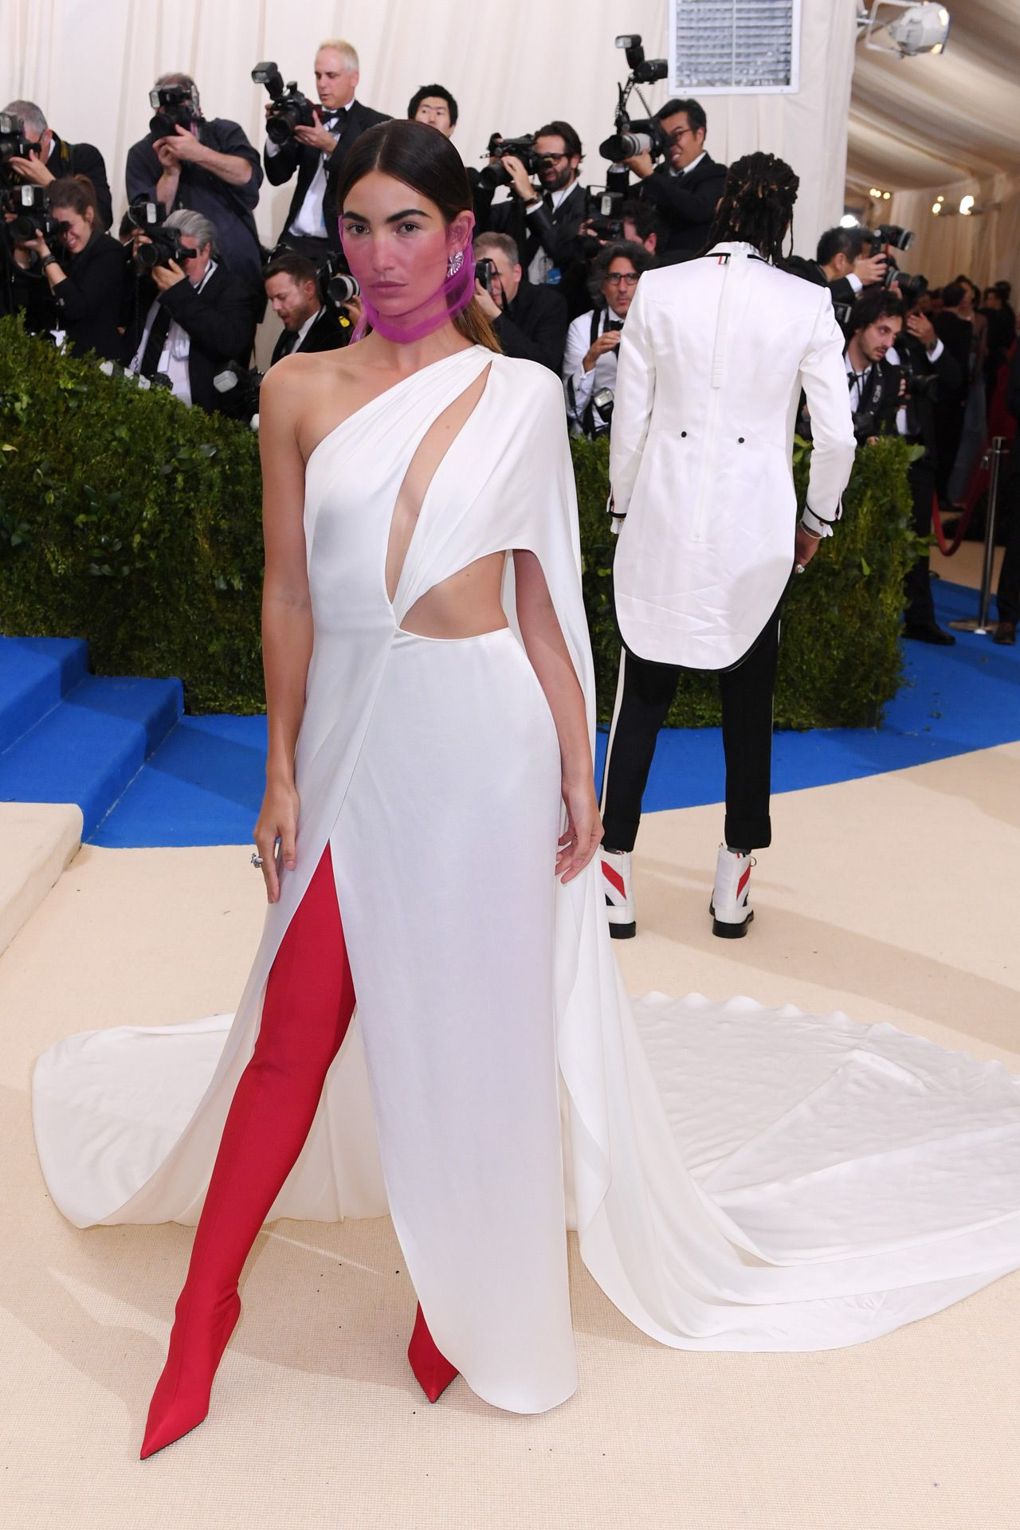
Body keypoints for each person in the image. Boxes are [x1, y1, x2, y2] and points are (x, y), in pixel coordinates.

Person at [31, 124, 1020, 1458]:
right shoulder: (299, 389)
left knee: (475, 1035)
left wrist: (577, 769)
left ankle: (461, 1291)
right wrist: (277, 768)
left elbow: (542, 604)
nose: (380, 254)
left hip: (483, 744)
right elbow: (286, 594)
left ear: (459, 236)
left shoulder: (520, 397)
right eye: (359, 226)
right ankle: (201, 1316)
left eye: (407, 226)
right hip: (351, 749)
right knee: (292, 1030)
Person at [600, 153, 856, 939]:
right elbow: (838, 439)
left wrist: (622, 510)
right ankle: (733, 886)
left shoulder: (659, 288)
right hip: (756, 530)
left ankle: (614, 878)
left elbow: (630, 421)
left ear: (721, 208)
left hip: (661, 515)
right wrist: (815, 523)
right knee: (749, 706)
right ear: (786, 217)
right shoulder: (808, 302)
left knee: (642, 699)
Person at [126, 73, 264, 297]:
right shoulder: (143, 152)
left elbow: (247, 176)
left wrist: (199, 153)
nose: (172, 116)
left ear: (196, 107)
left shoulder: (223, 133)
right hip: (174, 269)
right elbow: (147, 218)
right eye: (164, 109)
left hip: (234, 266)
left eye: (178, 107)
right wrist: (170, 173)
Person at [264, 39, 388, 262]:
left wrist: (330, 147)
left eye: (331, 76)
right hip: (293, 241)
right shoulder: (307, 115)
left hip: (339, 249)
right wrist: (276, 134)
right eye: (318, 75)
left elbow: (374, 183)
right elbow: (277, 175)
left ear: (354, 78)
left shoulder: (378, 125)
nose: (322, 84)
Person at [886, 294, 964, 645]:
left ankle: (919, 618)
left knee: (917, 540)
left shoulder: (917, 344)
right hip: (877, 450)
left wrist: (932, 341)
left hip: (917, 453)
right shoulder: (867, 338)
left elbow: (953, 382)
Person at [124, 209, 257, 411]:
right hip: (137, 398)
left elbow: (230, 341)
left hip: (194, 410)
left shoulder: (232, 289)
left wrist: (179, 294)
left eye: (184, 255)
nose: (177, 262)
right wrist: (137, 265)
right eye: (172, 251)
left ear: (205, 250)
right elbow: (119, 314)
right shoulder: (155, 273)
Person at [18, 174, 126, 361]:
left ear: (88, 215)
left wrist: (45, 255)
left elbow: (76, 306)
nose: (66, 236)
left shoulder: (109, 252)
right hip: (55, 360)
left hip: (96, 363)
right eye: (58, 228)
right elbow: (29, 305)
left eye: (69, 226)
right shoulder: (58, 251)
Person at [475, 121, 588, 297]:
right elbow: (479, 226)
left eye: (553, 158)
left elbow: (562, 252)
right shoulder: (518, 203)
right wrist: (489, 180)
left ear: (574, 160)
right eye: (539, 158)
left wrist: (531, 198)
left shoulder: (587, 205)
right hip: (514, 302)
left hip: (562, 304)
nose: (546, 165)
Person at [562, 241, 653, 437]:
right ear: (602, 285)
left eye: (631, 278)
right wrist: (590, 358)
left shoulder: (658, 325)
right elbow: (571, 408)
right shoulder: (582, 327)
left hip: (648, 434)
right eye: (614, 278)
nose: (622, 288)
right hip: (595, 437)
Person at [625, 98, 727, 264]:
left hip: (691, 267)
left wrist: (649, 176)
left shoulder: (717, 174)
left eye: (677, 135)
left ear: (699, 134)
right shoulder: (658, 176)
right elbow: (626, 203)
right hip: (647, 269)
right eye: (664, 138)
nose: (670, 144)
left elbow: (696, 209)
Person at [1, 98, 113, 228]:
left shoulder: (81, 158)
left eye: (25, 149)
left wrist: (51, 185)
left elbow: (103, 218)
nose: (18, 158)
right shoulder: (5, 163)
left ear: (46, 137)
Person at [472, 229, 568, 372]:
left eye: (495, 276)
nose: (490, 286)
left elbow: (544, 364)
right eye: (483, 277)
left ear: (516, 273)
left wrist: (495, 316)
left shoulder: (548, 304)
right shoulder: (469, 306)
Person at [843, 287, 904, 445]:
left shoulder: (890, 377)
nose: (889, 344)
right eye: (883, 331)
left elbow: (883, 429)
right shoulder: (823, 360)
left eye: (894, 336)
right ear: (859, 325)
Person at [787, 224, 889, 316]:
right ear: (840, 261)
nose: (869, 269)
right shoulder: (798, 269)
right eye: (863, 261)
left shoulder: (849, 297)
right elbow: (808, 303)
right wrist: (855, 278)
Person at [264, 253, 349, 363]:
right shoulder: (289, 333)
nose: (275, 307)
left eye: (282, 297)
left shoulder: (335, 339)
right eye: (272, 299)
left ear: (309, 290)